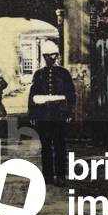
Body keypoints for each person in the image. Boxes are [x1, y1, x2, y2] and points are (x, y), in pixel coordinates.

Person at [27, 41, 75, 186]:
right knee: (46, 147)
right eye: (47, 56)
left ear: (57, 56)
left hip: (59, 116)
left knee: (60, 146)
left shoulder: (64, 73)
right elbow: (33, 95)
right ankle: (47, 176)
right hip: (43, 116)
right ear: (44, 57)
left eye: (52, 55)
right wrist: (33, 115)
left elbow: (70, 94)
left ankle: (60, 176)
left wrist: (69, 112)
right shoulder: (39, 74)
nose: (49, 58)